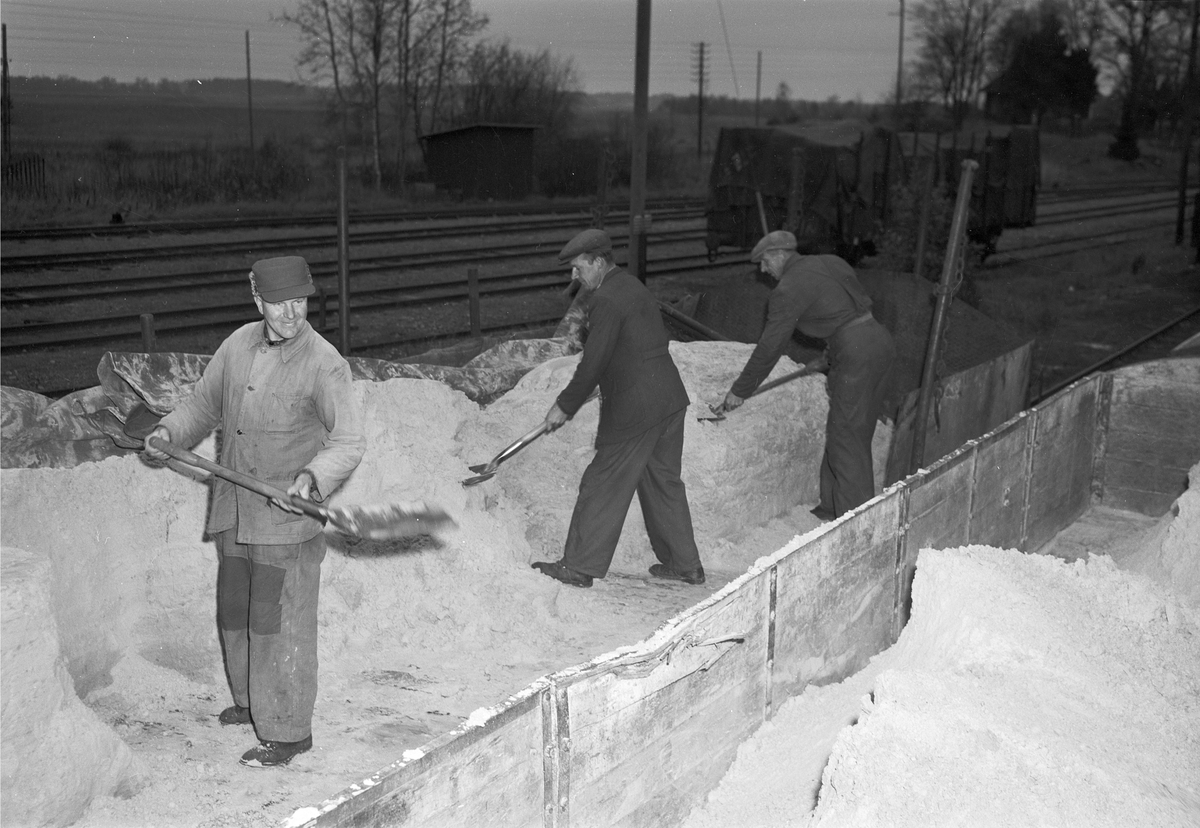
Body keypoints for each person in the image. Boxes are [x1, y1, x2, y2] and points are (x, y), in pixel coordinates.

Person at [143, 255, 365, 768]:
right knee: (238, 613)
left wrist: (312, 478)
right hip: (234, 510)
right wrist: (169, 433)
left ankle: (288, 731)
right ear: (256, 299)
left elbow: (349, 439)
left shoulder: (324, 362)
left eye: (299, 300)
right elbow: (202, 405)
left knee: (277, 623)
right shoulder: (237, 345)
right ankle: (251, 702)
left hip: (284, 524)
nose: (290, 312)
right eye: (278, 302)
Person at [531, 229, 704, 589]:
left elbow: (593, 362)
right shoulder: (631, 284)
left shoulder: (606, 299)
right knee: (663, 481)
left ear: (597, 262)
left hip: (637, 405)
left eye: (579, 268)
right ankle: (684, 564)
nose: (574, 277)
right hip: (668, 397)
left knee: (601, 481)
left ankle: (579, 566)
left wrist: (564, 405)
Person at [722, 231, 895, 520]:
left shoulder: (787, 290)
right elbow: (849, 309)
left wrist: (740, 389)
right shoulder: (830, 262)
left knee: (846, 438)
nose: (763, 270)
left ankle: (858, 522)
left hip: (856, 353)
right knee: (851, 430)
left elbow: (769, 347)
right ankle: (831, 505)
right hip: (878, 340)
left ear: (779, 255)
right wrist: (833, 352)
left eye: (765, 262)